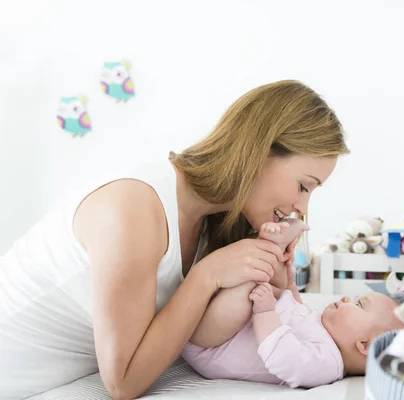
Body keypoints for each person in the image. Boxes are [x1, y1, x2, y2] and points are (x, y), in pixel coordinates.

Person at [0, 80, 349, 400]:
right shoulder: (134, 209)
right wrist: (207, 275)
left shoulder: (215, 221)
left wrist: (276, 271)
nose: (301, 208)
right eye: (303, 186)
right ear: (258, 153)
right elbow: (123, 384)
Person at [182, 219, 404, 389]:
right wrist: (288, 280)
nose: (347, 298)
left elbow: (283, 356)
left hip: (213, 346)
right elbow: (294, 307)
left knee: (251, 281)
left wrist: (265, 310)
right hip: (232, 327)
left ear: (365, 345)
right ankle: (275, 250)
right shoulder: (323, 327)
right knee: (275, 283)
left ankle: (267, 248)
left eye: (359, 305)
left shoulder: (327, 364)